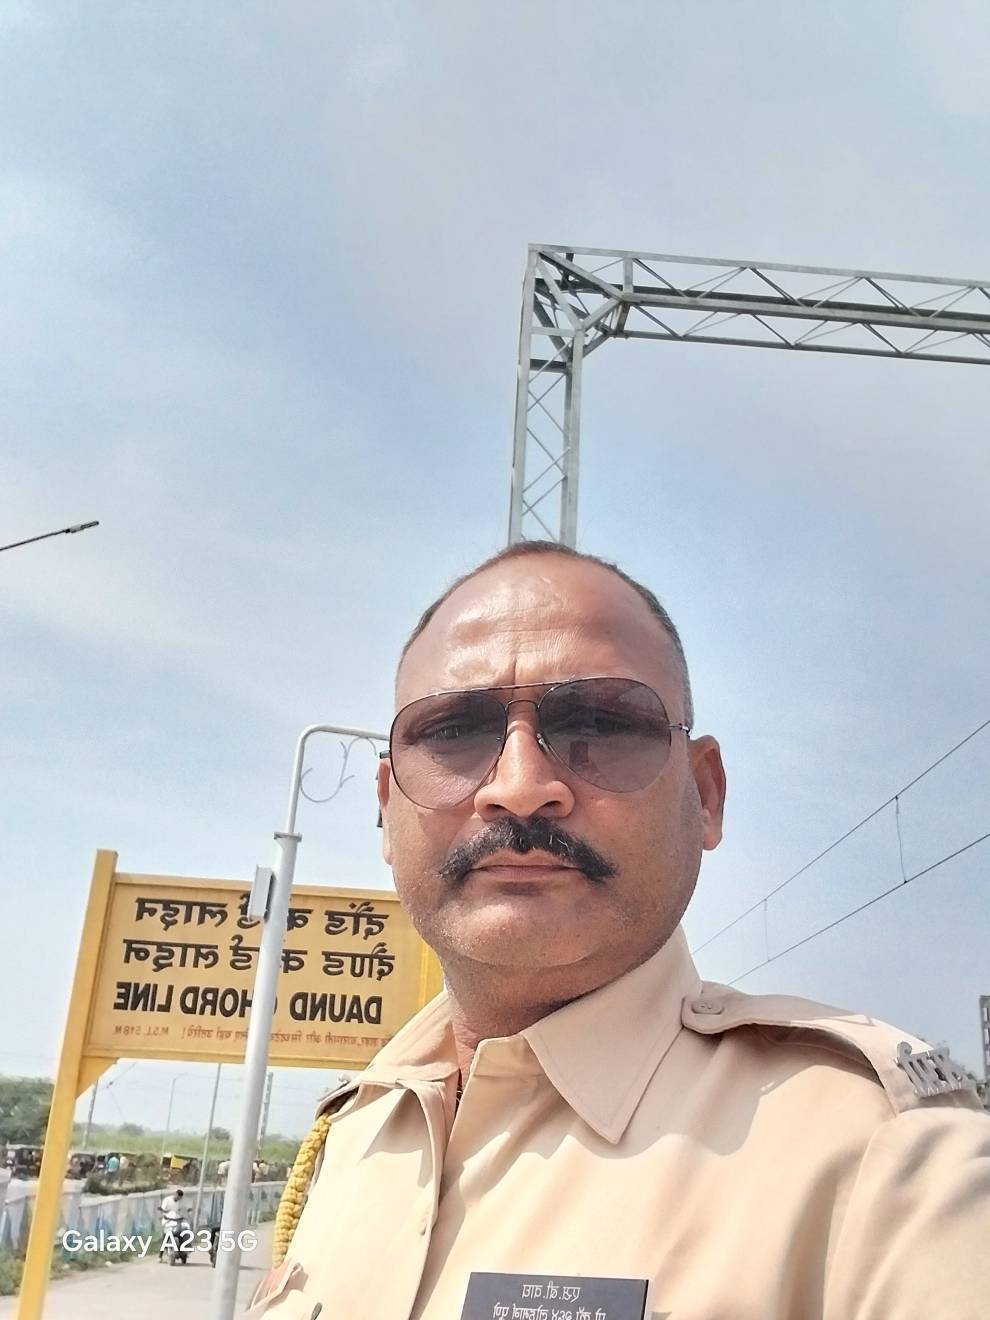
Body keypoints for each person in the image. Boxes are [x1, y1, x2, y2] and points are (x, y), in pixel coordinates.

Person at [258, 542, 990, 1319]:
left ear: (705, 796)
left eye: (600, 726)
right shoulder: (355, 1134)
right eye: (452, 732)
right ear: (386, 807)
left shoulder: (887, 1170)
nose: (520, 788)